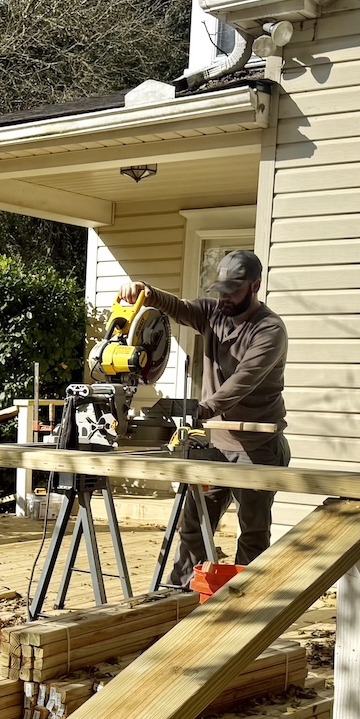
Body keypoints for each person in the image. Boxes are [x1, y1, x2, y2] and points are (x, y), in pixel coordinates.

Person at [118, 250, 289, 588]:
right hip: (215, 445)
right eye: (221, 291)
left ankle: (246, 604)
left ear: (255, 286)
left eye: (233, 291)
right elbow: (177, 307)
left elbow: (243, 380)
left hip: (258, 447)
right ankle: (178, 596)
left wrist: (201, 409)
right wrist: (146, 292)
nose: (224, 298)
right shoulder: (213, 314)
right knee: (194, 526)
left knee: (253, 533)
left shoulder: (269, 330)